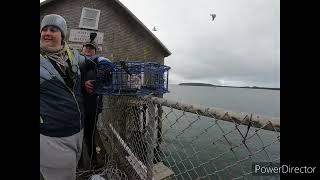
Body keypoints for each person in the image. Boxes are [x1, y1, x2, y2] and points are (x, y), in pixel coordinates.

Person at [40, 14, 87, 180]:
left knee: (71, 171)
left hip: (77, 129)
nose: (46, 33)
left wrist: (101, 59)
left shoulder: (71, 55)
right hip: (53, 135)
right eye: (44, 29)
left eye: (53, 30)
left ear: (62, 35)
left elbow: (87, 61)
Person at [80, 40, 110, 168]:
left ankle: (93, 161)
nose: (88, 49)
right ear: (82, 50)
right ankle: (79, 161)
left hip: (93, 106)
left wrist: (107, 71)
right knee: (77, 135)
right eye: (86, 47)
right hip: (77, 106)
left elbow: (107, 82)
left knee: (90, 135)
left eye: (91, 48)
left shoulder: (99, 64)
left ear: (95, 52)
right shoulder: (76, 63)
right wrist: (83, 84)